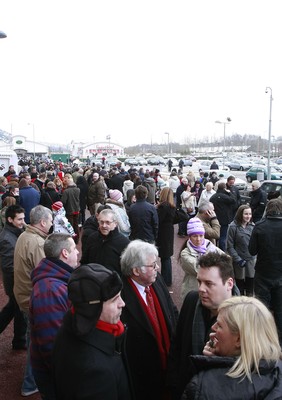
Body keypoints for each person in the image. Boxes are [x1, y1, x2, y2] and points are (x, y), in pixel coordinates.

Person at [53, 263, 134, 400]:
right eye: (114, 299)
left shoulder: (69, 327)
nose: (122, 303)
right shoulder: (96, 372)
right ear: (92, 309)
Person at [167, 252, 239, 400]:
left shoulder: (243, 318)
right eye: (199, 282)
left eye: (209, 284)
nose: (201, 289)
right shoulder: (191, 300)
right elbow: (177, 344)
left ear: (229, 284)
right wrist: (173, 383)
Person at [181, 296, 282, 400]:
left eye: (219, 325)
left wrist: (210, 365)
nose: (213, 327)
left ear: (238, 340)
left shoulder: (202, 386)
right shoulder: (277, 371)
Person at [120, 240, 178, 400]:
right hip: (144, 377)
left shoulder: (156, 280)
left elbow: (171, 309)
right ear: (136, 270)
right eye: (153, 265)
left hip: (169, 368)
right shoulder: (120, 296)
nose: (157, 268)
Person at [30, 233, 79, 400]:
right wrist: (69, 377)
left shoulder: (56, 280)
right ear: (65, 253)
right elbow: (52, 344)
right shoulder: (50, 290)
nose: (77, 252)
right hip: (57, 377)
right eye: (74, 249)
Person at [14, 205, 53, 397]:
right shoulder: (37, 243)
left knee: (33, 340)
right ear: (43, 222)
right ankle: (31, 383)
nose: (52, 223)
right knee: (36, 343)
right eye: (51, 220)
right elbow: (45, 273)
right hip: (31, 298)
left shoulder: (24, 235)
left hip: (23, 294)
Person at [249, 198, 282, 344]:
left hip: (263, 273)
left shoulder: (260, 226)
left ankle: (262, 341)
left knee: (262, 309)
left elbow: (252, 250)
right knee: (280, 311)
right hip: (280, 274)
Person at [0, 205, 27, 350]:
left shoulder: (16, 232)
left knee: (13, 309)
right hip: (15, 283)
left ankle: (19, 340)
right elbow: (9, 266)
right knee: (18, 310)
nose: (23, 222)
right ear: (10, 219)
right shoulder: (6, 239)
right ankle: (19, 340)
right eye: (20, 219)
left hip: (17, 282)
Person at [179, 217, 224, 299]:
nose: (198, 239)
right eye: (195, 236)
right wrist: (216, 263)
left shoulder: (209, 245)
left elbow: (225, 259)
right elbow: (199, 269)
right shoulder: (185, 253)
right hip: (194, 291)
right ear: (189, 237)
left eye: (201, 235)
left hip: (210, 291)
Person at [80, 209, 130, 275]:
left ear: (115, 224)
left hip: (114, 283)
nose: (104, 225)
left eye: (108, 222)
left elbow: (127, 269)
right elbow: (84, 261)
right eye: (101, 222)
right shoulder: (92, 238)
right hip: (93, 281)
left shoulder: (124, 243)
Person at [156, 187, 188, 287]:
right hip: (168, 231)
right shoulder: (171, 207)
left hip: (162, 232)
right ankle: (167, 279)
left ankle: (166, 280)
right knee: (166, 256)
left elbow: (158, 220)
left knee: (165, 257)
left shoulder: (163, 207)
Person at [226, 205, 256, 296]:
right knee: (240, 284)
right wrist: (237, 259)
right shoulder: (233, 226)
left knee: (250, 284)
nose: (248, 216)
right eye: (246, 214)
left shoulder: (253, 226)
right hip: (239, 260)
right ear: (240, 214)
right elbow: (229, 246)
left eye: (250, 214)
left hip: (251, 259)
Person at [210, 182, 236, 251]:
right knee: (223, 236)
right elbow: (234, 200)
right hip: (225, 219)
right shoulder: (225, 197)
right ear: (225, 188)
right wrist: (229, 193)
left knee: (215, 236)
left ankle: (213, 250)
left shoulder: (213, 197)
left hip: (215, 219)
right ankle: (222, 251)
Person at [61, 173, 80, 242]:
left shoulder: (66, 191)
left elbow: (63, 201)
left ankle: (71, 240)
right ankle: (77, 239)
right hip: (77, 209)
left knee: (70, 226)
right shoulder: (78, 190)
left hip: (69, 210)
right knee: (76, 225)